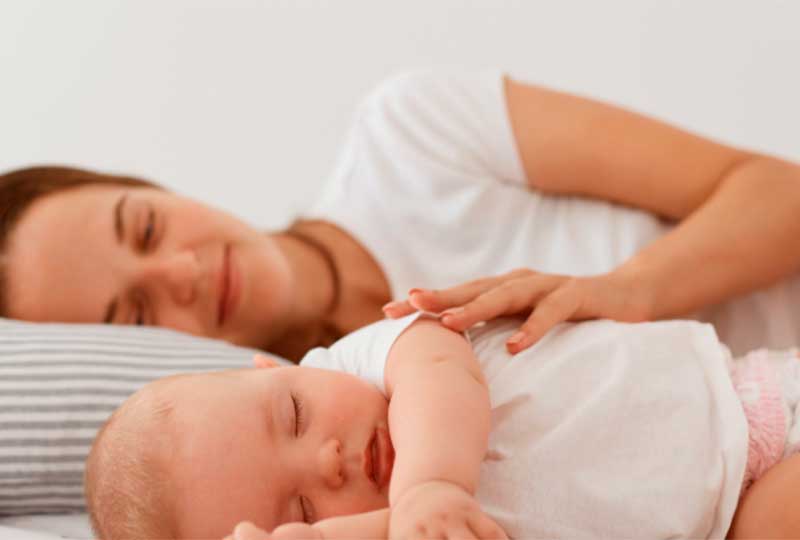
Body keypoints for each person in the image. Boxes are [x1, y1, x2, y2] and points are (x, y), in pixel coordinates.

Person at [1, 70, 800, 363]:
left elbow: (779, 191)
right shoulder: (322, 446)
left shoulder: (412, 134)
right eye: (136, 317)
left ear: (154, 184)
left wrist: (630, 290)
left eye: (144, 227)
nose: (180, 271)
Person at [84, 313, 800, 540]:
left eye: (294, 416)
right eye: (301, 509)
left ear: (275, 368)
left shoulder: (374, 362)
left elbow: (438, 365)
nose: (329, 461)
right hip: (727, 525)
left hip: (745, 408)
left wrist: (431, 483)